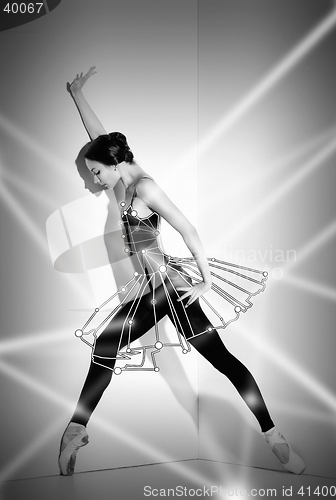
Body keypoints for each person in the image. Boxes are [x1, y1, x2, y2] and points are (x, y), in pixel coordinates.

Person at [58, 67, 305, 476]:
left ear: (112, 165)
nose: (93, 181)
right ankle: (274, 438)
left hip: (168, 289)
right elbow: (98, 136)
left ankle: (75, 428)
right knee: (214, 359)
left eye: (95, 172)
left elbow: (188, 229)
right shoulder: (123, 182)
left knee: (129, 347)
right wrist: (78, 96)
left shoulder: (144, 189)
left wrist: (206, 281)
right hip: (154, 289)